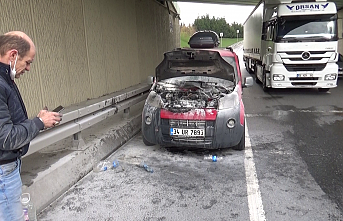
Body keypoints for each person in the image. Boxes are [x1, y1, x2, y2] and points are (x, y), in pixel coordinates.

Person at [0, 31, 61, 221]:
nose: (28, 68)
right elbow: (7, 138)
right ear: (13, 55)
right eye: (27, 62)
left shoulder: (5, 79)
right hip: (4, 171)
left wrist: (37, 120)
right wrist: (39, 123)